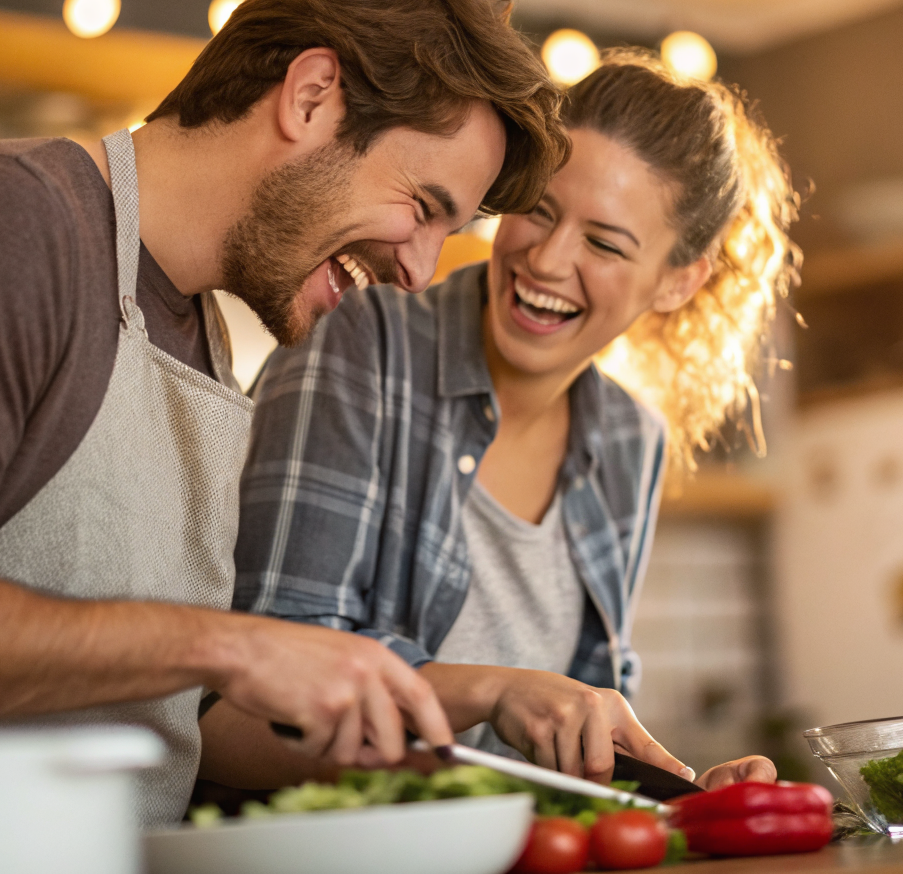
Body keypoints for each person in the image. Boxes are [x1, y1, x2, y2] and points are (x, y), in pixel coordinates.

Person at [0, 0, 570, 825]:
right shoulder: (2, 218)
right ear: (312, 96)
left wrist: (458, 703)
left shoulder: (203, 339)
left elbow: (167, 721)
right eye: (426, 206)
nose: (421, 273)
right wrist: (236, 644)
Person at [209, 50, 799, 791]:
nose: (548, 260)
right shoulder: (362, 343)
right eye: (538, 211)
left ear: (678, 280)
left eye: (605, 243)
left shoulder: (628, 443)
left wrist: (679, 794)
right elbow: (243, 709)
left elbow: (574, 745)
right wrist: (491, 689)